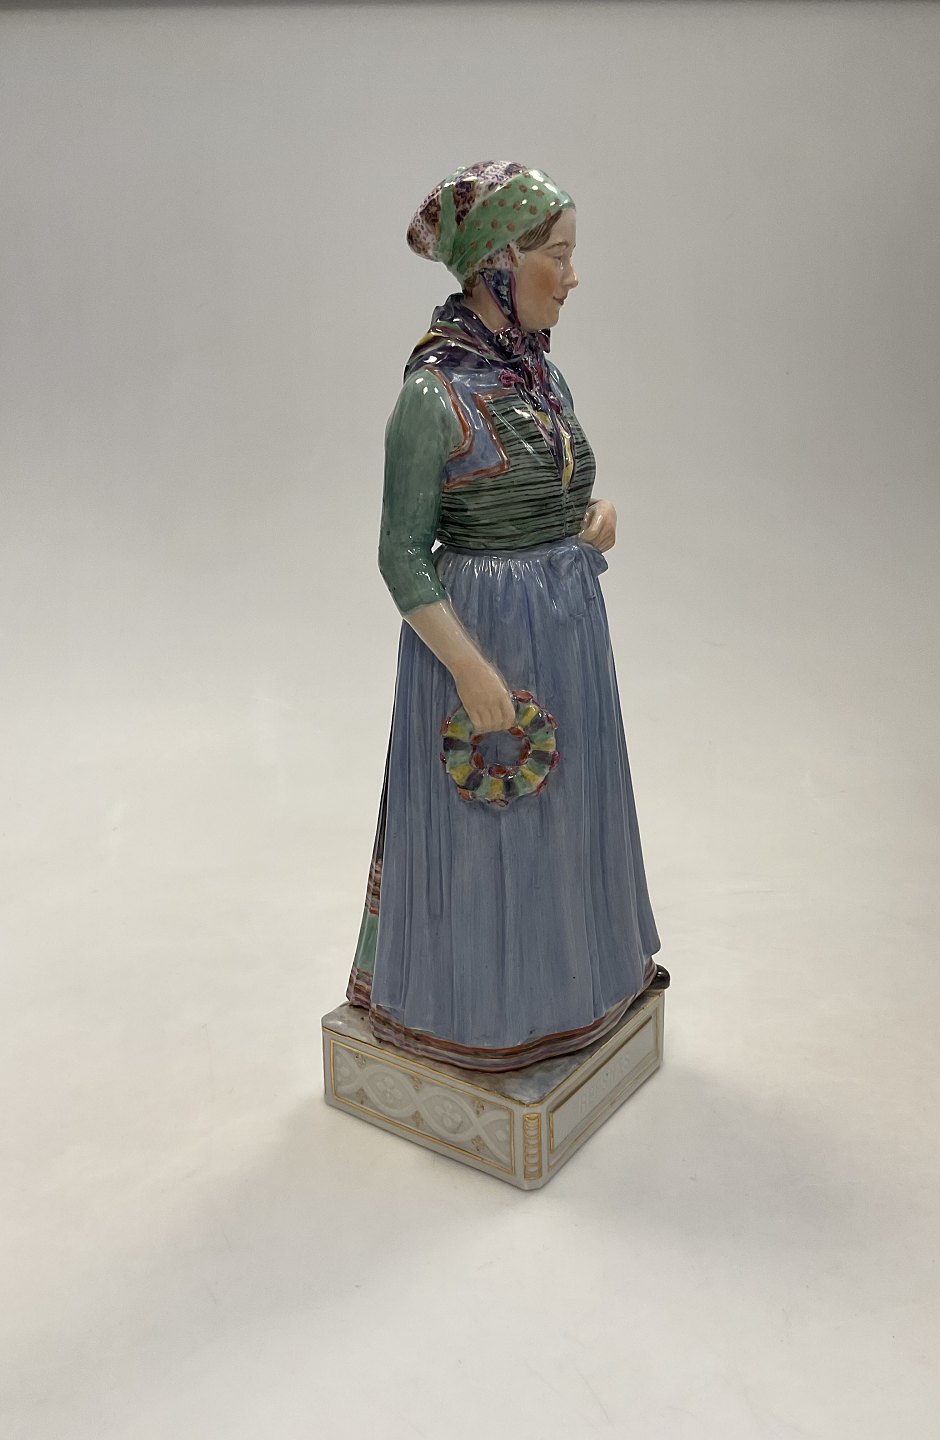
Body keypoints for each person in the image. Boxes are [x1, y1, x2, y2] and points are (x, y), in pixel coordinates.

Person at [346, 161, 665, 1072]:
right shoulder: (432, 397)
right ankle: (481, 1014)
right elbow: (401, 553)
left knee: (567, 816)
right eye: (556, 255)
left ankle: (576, 990)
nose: (571, 277)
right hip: (485, 636)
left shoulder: (539, 379)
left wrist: (591, 515)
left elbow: (554, 485)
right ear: (497, 264)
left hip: (566, 627)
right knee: (494, 829)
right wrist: (469, 668)